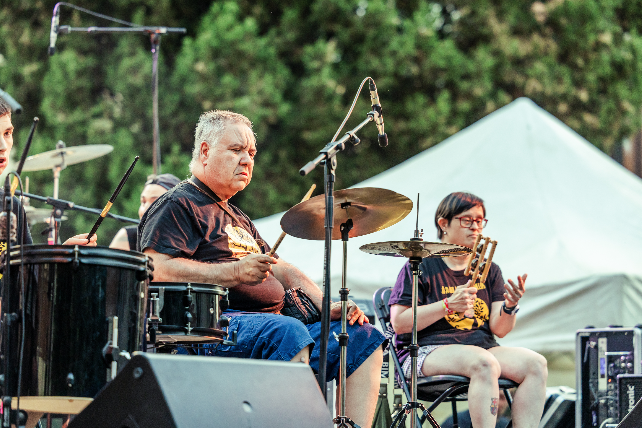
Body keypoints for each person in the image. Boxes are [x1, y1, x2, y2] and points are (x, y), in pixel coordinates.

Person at [139, 110, 385, 427]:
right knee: (289, 333)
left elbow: (282, 270)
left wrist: (327, 307)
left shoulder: (238, 217)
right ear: (204, 151)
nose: (247, 160)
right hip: (211, 330)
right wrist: (234, 273)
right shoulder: (178, 203)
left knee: (361, 336)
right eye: (236, 150)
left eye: (251, 153)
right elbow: (154, 267)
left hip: (270, 327)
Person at [388, 192, 547, 428]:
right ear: (443, 224)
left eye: (480, 220)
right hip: (427, 350)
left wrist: (510, 307)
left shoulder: (490, 270)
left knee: (536, 364)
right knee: (484, 362)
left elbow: (499, 329)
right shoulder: (421, 265)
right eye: (467, 220)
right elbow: (399, 323)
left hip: (481, 348)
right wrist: (448, 305)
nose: (475, 227)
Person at [0, 98, 96, 249]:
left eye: (7, 133)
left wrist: (59, 257)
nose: (3, 146)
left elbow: (27, 271)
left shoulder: (13, 207)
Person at [109, 173, 181, 251]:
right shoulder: (128, 237)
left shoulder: (190, 244)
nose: (145, 210)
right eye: (143, 202)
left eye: (155, 202)